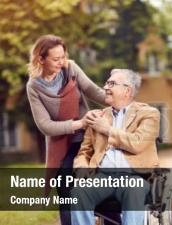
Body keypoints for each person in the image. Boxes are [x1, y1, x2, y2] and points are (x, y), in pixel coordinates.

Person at [26, 34, 106, 225]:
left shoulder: (70, 68)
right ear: (41, 59)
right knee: (65, 190)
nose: (61, 62)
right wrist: (79, 123)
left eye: (63, 56)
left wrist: (119, 100)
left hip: (87, 138)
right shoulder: (34, 86)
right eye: (56, 59)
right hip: (61, 144)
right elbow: (45, 126)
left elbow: (93, 91)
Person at [71, 69, 160, 225]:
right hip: (103, 177)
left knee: (134, 190)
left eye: (111, 83)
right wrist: (81, 168)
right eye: (106, 83)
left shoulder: (149, 113)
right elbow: (84, 153)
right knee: (79, 192)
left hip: (134, 177)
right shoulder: (97, 116)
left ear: (127, 90)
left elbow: (137, 143)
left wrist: (107, 129)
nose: (105, 87)